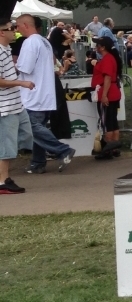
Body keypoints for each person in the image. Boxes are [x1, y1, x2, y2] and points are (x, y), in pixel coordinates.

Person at [14, 14, 76, 174]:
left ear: (26, 25)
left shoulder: (30, 42)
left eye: (18, 25)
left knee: (32, 127)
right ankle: (38, 162)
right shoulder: (44, 42)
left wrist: (8, 65)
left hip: (34, 93)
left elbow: (24, 68)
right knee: (38, 127)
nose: (16, 29)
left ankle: (62, 150)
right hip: (44, 92)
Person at [0, 16, 34, 194]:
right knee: (7, 145)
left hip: (16, 105)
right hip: (5, 107)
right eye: (11, 28)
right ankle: (2, 181)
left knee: (26, 135)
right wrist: (22, 83)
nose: (15, 30)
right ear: (1, 32)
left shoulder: (6, 49)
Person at [91, 36, 123, 156]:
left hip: (108, 93)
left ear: (103, 47)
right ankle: (114, 146)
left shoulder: (107, 59)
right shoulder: (110, 58)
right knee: (112, 121)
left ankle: (108, 148)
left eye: (97, 45)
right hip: (112, 92)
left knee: (107, 122)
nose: (96, 47)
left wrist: (104, 95)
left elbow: (108, 77)